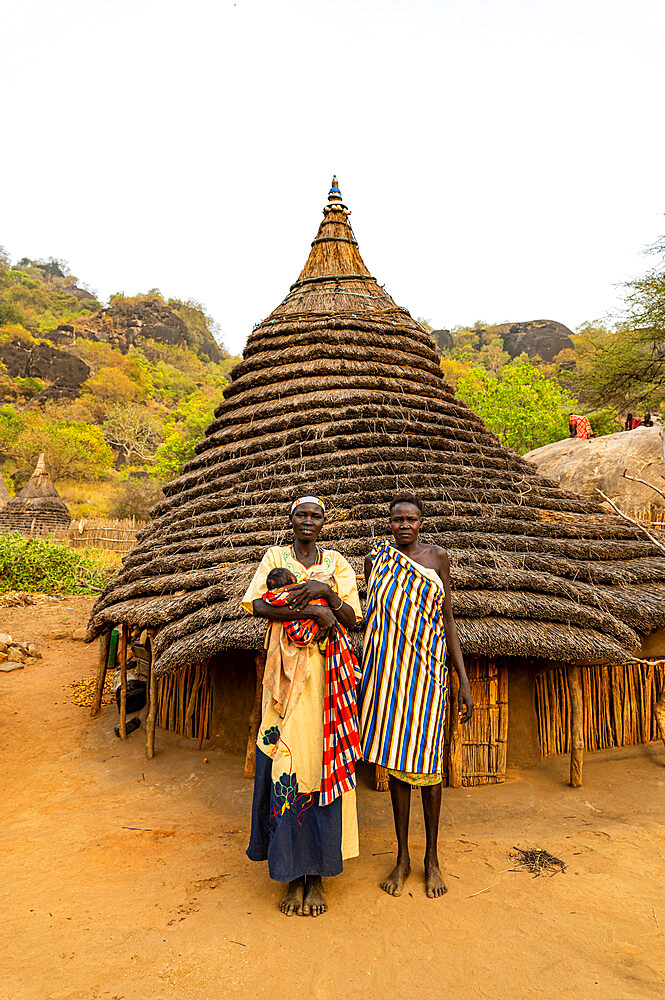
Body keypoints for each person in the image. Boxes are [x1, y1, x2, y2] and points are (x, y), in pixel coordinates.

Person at [241, 495, 363, 917]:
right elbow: (257, 603)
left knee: (321, 765)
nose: (307, 521)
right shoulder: (274, 556)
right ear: (290, 520)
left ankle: (316, 880)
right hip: (284, 688)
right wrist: (310, 606)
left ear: (324, 522)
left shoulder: (337, 564)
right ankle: (291, 877)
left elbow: (351, 617)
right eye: (301, 514)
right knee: (285, 767)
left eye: (315, 515)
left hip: (328, 687)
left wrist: (325, 593)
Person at [360, 493, 474, 900]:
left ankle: (433, 860)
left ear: (421, 523)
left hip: (427, 677)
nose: (404, 525)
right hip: (392, 679)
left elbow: (448, 620)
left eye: (411, 519)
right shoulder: (379, 562)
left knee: (430, 771)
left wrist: (462, 680)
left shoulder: (438, 558)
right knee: (396, 767)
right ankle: (402, 857)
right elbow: (370, 619)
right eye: (397, 519)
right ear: (389, 523)